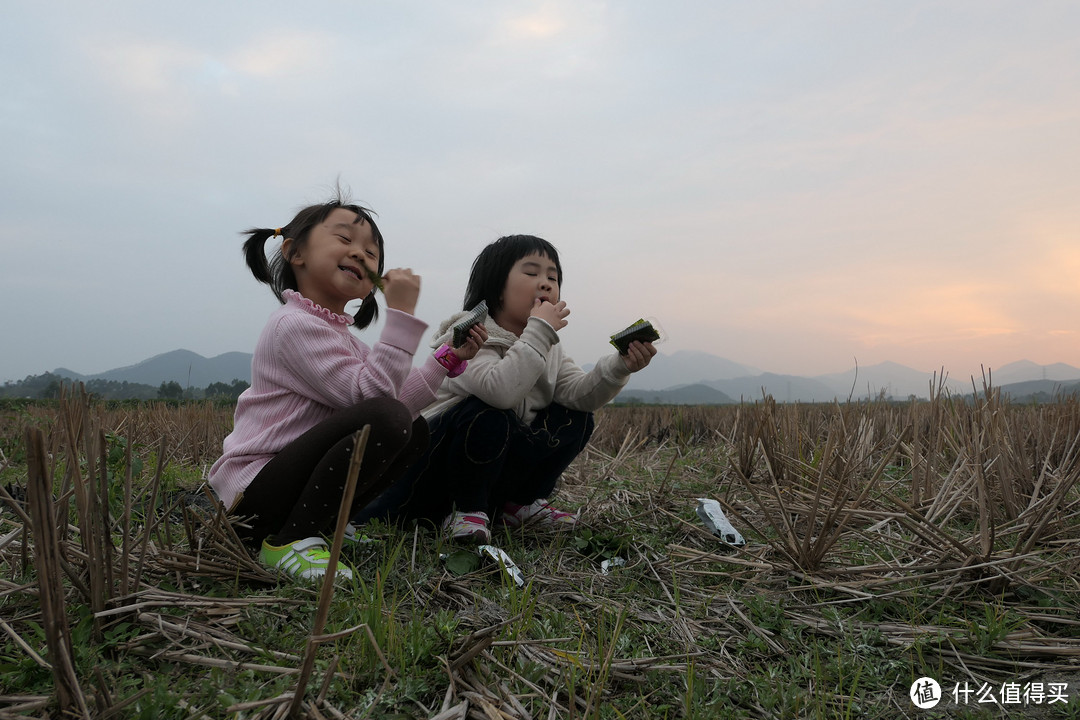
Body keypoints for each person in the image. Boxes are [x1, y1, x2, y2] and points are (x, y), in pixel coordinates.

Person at [207, 193, 486, 581]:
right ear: (294, 252)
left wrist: (448, 358)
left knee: (413, 428)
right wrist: (401, 316)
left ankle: (325, 525)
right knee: (388, 417)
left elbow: (396, 404)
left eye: (371, 254)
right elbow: (373, 400)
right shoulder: (294, 325)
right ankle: (292, 540)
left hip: (284, 489)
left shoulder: (346, 339)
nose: (360, 254)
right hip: (251, 498)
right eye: (344, 239)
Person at [354, 234, 656, 542]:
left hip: (490, 473)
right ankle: (465, 511)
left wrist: (620, 365)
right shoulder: (470, 337)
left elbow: (580, 394)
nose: (546, 283)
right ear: (497, 289)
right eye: (531, 272)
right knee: (487, 412)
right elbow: (500, 391)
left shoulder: (547, 348)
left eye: (552, 277)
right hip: (432, 472)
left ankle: (519, 505)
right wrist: (539, 331)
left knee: (576, 417)